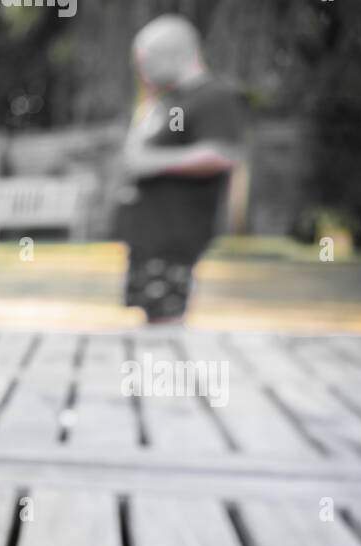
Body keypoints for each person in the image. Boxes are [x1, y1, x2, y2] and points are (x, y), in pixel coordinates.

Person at [116, 15, 245, 324]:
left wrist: (149, 164)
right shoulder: (171, 102)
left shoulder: (214, 97)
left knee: (166, 329)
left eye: (144, 62)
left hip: (175, 237)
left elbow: (222, 154)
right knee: (153, 323)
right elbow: (135, 152)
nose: (140, 72)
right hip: (150, 237)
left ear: (174, 55)